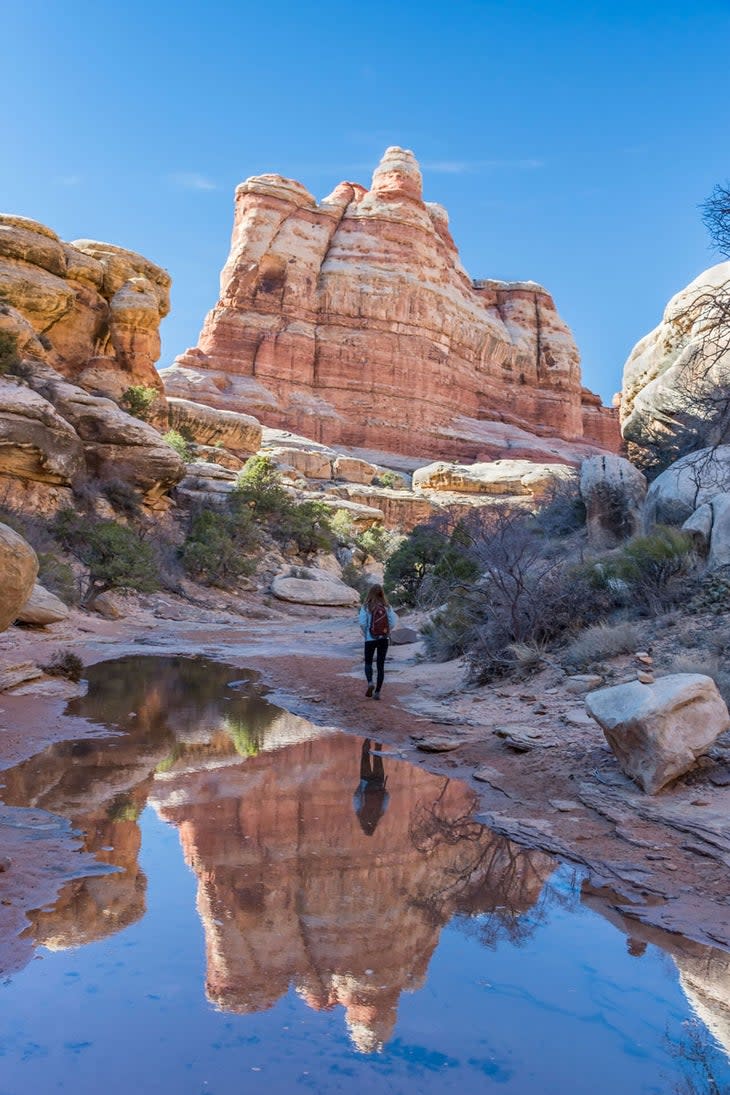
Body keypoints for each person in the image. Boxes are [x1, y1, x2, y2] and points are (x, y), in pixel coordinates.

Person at [358, 584, 397, 700]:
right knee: (380, 665)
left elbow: (362, 623)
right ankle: (378, 692)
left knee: (368, 662)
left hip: (370, 638)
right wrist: (387, 631)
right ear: (382, 593)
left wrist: (366, 633)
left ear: (370, 593)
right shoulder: (387, 607)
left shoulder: (366, 607)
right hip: (383, 639)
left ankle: (370, 682)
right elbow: (393, 622)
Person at [353, 738, 389, 836]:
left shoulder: (379, 813)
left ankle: (378, 738)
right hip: (365, 780)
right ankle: (367, 737)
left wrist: (383, 790)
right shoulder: (360, 814)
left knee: (378, 757)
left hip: (379, 781)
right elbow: (356, 797)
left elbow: (386, 798)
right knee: (365, 756)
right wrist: (361, 786)